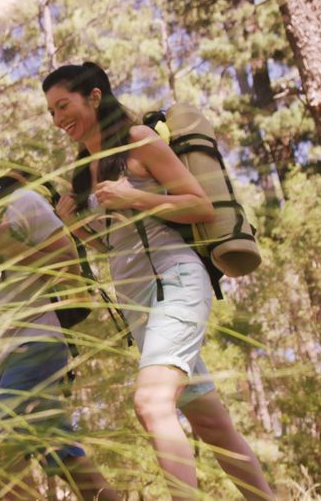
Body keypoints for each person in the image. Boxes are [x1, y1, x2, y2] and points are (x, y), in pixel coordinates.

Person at [42, 62, 274, 501]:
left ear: (94, 97)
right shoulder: (84, 169)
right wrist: (74, 227)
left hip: (175, 281)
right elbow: (113, 244)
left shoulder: (138, 141)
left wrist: (134, 196)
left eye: (63, 105)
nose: (58, 119)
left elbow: (199, 205)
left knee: (151, 404)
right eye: (51, 112)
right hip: (139, 305)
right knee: (210, 422)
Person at [0, 119, 119, 501]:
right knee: (63, 455)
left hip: (35, 340)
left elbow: (68, 263)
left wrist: (10, 245)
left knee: (2, 454)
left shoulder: (19, 201)